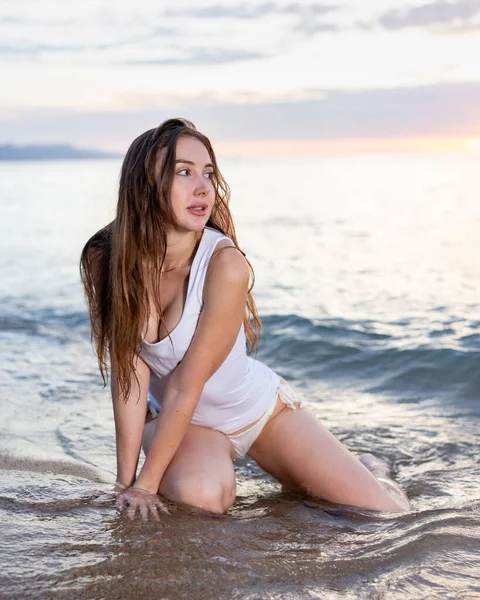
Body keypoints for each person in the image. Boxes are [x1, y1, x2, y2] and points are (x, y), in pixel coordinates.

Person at [80, 118, 410, 520]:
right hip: (186, 424)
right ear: (144, 185)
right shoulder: (106, 257)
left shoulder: (225, 264)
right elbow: (129, 373)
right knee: (200, 497)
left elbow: (188, 383)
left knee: (387, 513)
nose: (203, 187)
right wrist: (127, 483)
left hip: (256, 411)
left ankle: (368, 469)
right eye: (184, 172)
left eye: (208, 173)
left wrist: (148, 484)